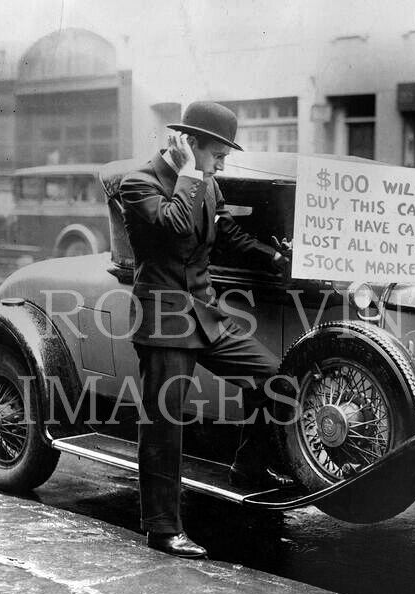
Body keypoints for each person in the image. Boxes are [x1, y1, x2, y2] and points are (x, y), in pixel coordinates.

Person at [119, 101, 293, 559]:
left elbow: (225, 233)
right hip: (163, 320)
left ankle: (248, 467)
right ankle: (163, 530)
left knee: (278, 378)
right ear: (190, 145)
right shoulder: (138, 184)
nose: (223, 162)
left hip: (205, 314)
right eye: (218, 153)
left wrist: (271, 255)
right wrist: (190, 175)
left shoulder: (206, 184)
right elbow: (176, 227)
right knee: (164, 425)